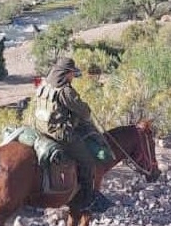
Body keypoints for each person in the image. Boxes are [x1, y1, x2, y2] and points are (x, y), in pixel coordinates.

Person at [34, 56, 114, 213]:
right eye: (72, 73)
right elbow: (84, 112)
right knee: (88, 161)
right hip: (59, 133)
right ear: (66, 73)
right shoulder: (66, 91)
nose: (73, 77)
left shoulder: (45, 85)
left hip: (41, 128)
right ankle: (85, 199)